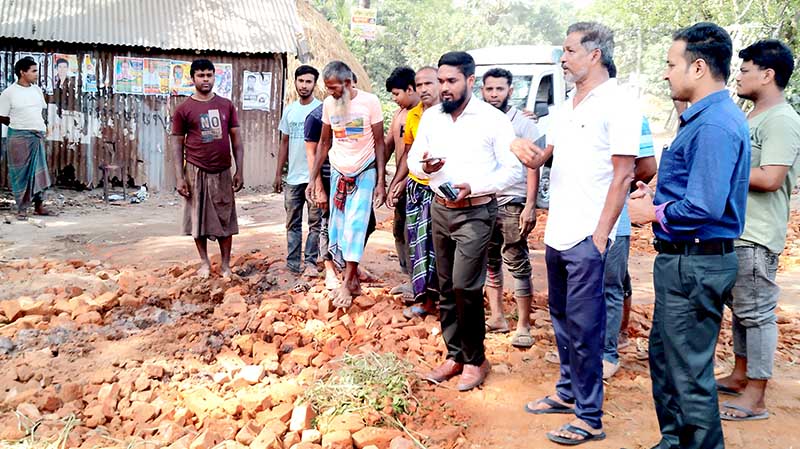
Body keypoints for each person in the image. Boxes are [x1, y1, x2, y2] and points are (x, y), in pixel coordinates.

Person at [511, 22, 640, 445]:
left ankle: (590, 417)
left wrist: (601, 236)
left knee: (586, 329)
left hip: (588, 235)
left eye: (568, 51)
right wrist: (516, 145)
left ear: (594, 54)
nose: (562, 59)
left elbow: (625, 175)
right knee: (563, 321)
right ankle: (568, 392)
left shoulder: (619, 103)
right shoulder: (566, 106)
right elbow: (541, 157)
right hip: (559, 233)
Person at [629, 22, 750, 449]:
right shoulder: (701, 119)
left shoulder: (714, 124)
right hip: (684, 262)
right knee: (667, 363)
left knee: (689, 376)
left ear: (697, 67)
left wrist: (651, 212)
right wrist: (657, 194)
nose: (666, 73)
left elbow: (704, 206)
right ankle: (674, 442)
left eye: (670, 64)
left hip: (695, 264)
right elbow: (695, 189)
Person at [408, 51, 522, 392]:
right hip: (440, 208)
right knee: (445, 287)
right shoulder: (432, 118)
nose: (444, 88)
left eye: (451, 81)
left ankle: (476, 360)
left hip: (475, 210)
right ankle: (454, 355)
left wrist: (476, 186)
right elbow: (415, 158)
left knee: (464, 286)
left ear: (470, 81)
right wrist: (423, 169)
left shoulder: (493, 120)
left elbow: (513, 169)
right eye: (440, 81)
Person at [714, 39, 800, 422]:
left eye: (746, 70)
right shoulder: (752, 117)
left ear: (768, 75)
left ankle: (757, 396)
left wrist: (720, 174)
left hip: (756, 233)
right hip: (737, 230)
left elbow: (771, 177)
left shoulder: (781, 119)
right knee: (741, 311)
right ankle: (740, 374)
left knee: (757, 314)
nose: (739, 76)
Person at [306, 61, 386, 307]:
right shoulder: (329, 105)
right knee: (337, 228)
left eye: (334, 87)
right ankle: (351, 279)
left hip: (364, 172)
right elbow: (324, 143)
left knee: (356, 226)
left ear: (348, 83)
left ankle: (347, 281)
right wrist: (313, 178)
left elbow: (380, 143)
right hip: (339, 172)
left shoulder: (370, 102)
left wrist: (381, 181)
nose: (330, 92)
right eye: (328, 88)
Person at [601, 62, 659, 380]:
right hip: (575, 217)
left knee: (611, 284)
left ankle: (608, 352)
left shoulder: (630, 115)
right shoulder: (569, 112)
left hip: (614, 218)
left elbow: (647, 167)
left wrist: (616, 186)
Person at [480, 67, 540, 349]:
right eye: (489, 89)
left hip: (512, 203)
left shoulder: (524, 124)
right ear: (482, 90)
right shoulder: (480, 120)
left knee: (516, 260)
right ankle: (497, 317)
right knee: (489, 261)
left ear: (510, 91)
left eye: (499, 89)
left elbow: (533, 167)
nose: (494, 95)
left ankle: (524, 324)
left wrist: (530, 205)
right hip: (485, 199)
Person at [171, 59, 244, 279]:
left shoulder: (226, 105)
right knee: (197, 217)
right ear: (192, 78)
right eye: (201, 75)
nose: (205, 79)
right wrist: (179, 177)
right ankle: (204, 263)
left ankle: (226, 265)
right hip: (195, 170)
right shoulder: (184, 109)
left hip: (222, 170)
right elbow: (176, 143)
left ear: (214, 77)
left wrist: (240, 170)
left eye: (209, 75)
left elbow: (237, 141)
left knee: (226, 217)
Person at [387, 66, 441, 320]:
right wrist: (398, 181)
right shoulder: (414, 116)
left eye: (429, 84)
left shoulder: (450, 115)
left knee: (438, 247)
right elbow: (408, 153)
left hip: (442, 190)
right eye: (420, 85)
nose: (423, 90)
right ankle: (424, 298)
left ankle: (445, 301)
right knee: (418, 244)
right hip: (417, 187)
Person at [274, 65, 323, 276]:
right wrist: (278, 173)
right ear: (295, 82)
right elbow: (284, 142)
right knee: (292, 223)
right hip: (293, 178)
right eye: (301, 81)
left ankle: (310, 262)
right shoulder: (290, 110)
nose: (304, 85)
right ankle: (293, 263)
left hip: (315, 177)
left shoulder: (322, 110)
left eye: (308, 81)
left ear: (315, 84)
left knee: (315, 223)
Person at [0, 57, 52, 220]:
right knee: (20, 174)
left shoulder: (36, 90)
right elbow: (1, 116)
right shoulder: (9, 93)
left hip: (36, 137)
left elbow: (40, 110)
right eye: (33, 71)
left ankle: (39, 206)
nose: (37, 74)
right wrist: (19, 124)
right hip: (18, 136)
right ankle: (21, 208)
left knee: (39, 173)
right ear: (22, 72)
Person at [385, 66, 420, 298]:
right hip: (400, 182)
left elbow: (415, 154)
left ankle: (417, 281)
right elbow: (389, 145)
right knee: (399, 230)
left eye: (397, 94)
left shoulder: (422, 113)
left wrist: (404, 181)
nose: (395, 100)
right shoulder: (400, 114)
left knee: (414, 232)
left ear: (410, 88)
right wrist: (382, 179)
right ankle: (408, 275)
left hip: (415, 183)